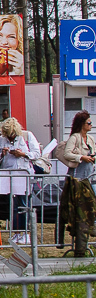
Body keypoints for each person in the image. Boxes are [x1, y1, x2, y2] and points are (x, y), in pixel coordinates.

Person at [0, 116, 40, 244]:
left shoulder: (27, 136)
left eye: (12, 136)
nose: (10, 139)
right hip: (8, 174)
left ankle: (25, 232)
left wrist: (23, 154)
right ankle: (16, 232)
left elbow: (37, 154)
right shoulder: (2, 139)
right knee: (12, 205)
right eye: (8, 136)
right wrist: (2, 154)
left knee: (23, 204)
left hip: (23, 173)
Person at [59, 110, 96, 257]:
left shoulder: (91, 138)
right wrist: (82, 157)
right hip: (77, 179)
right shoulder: (74, 137)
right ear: (82, 124)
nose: (91, 125)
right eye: (89, 123)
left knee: (92, 204)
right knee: (83, 209)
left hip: (90, 177)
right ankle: (86, 235)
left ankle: (92, 226)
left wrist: (92, 157)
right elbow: (67, 154)